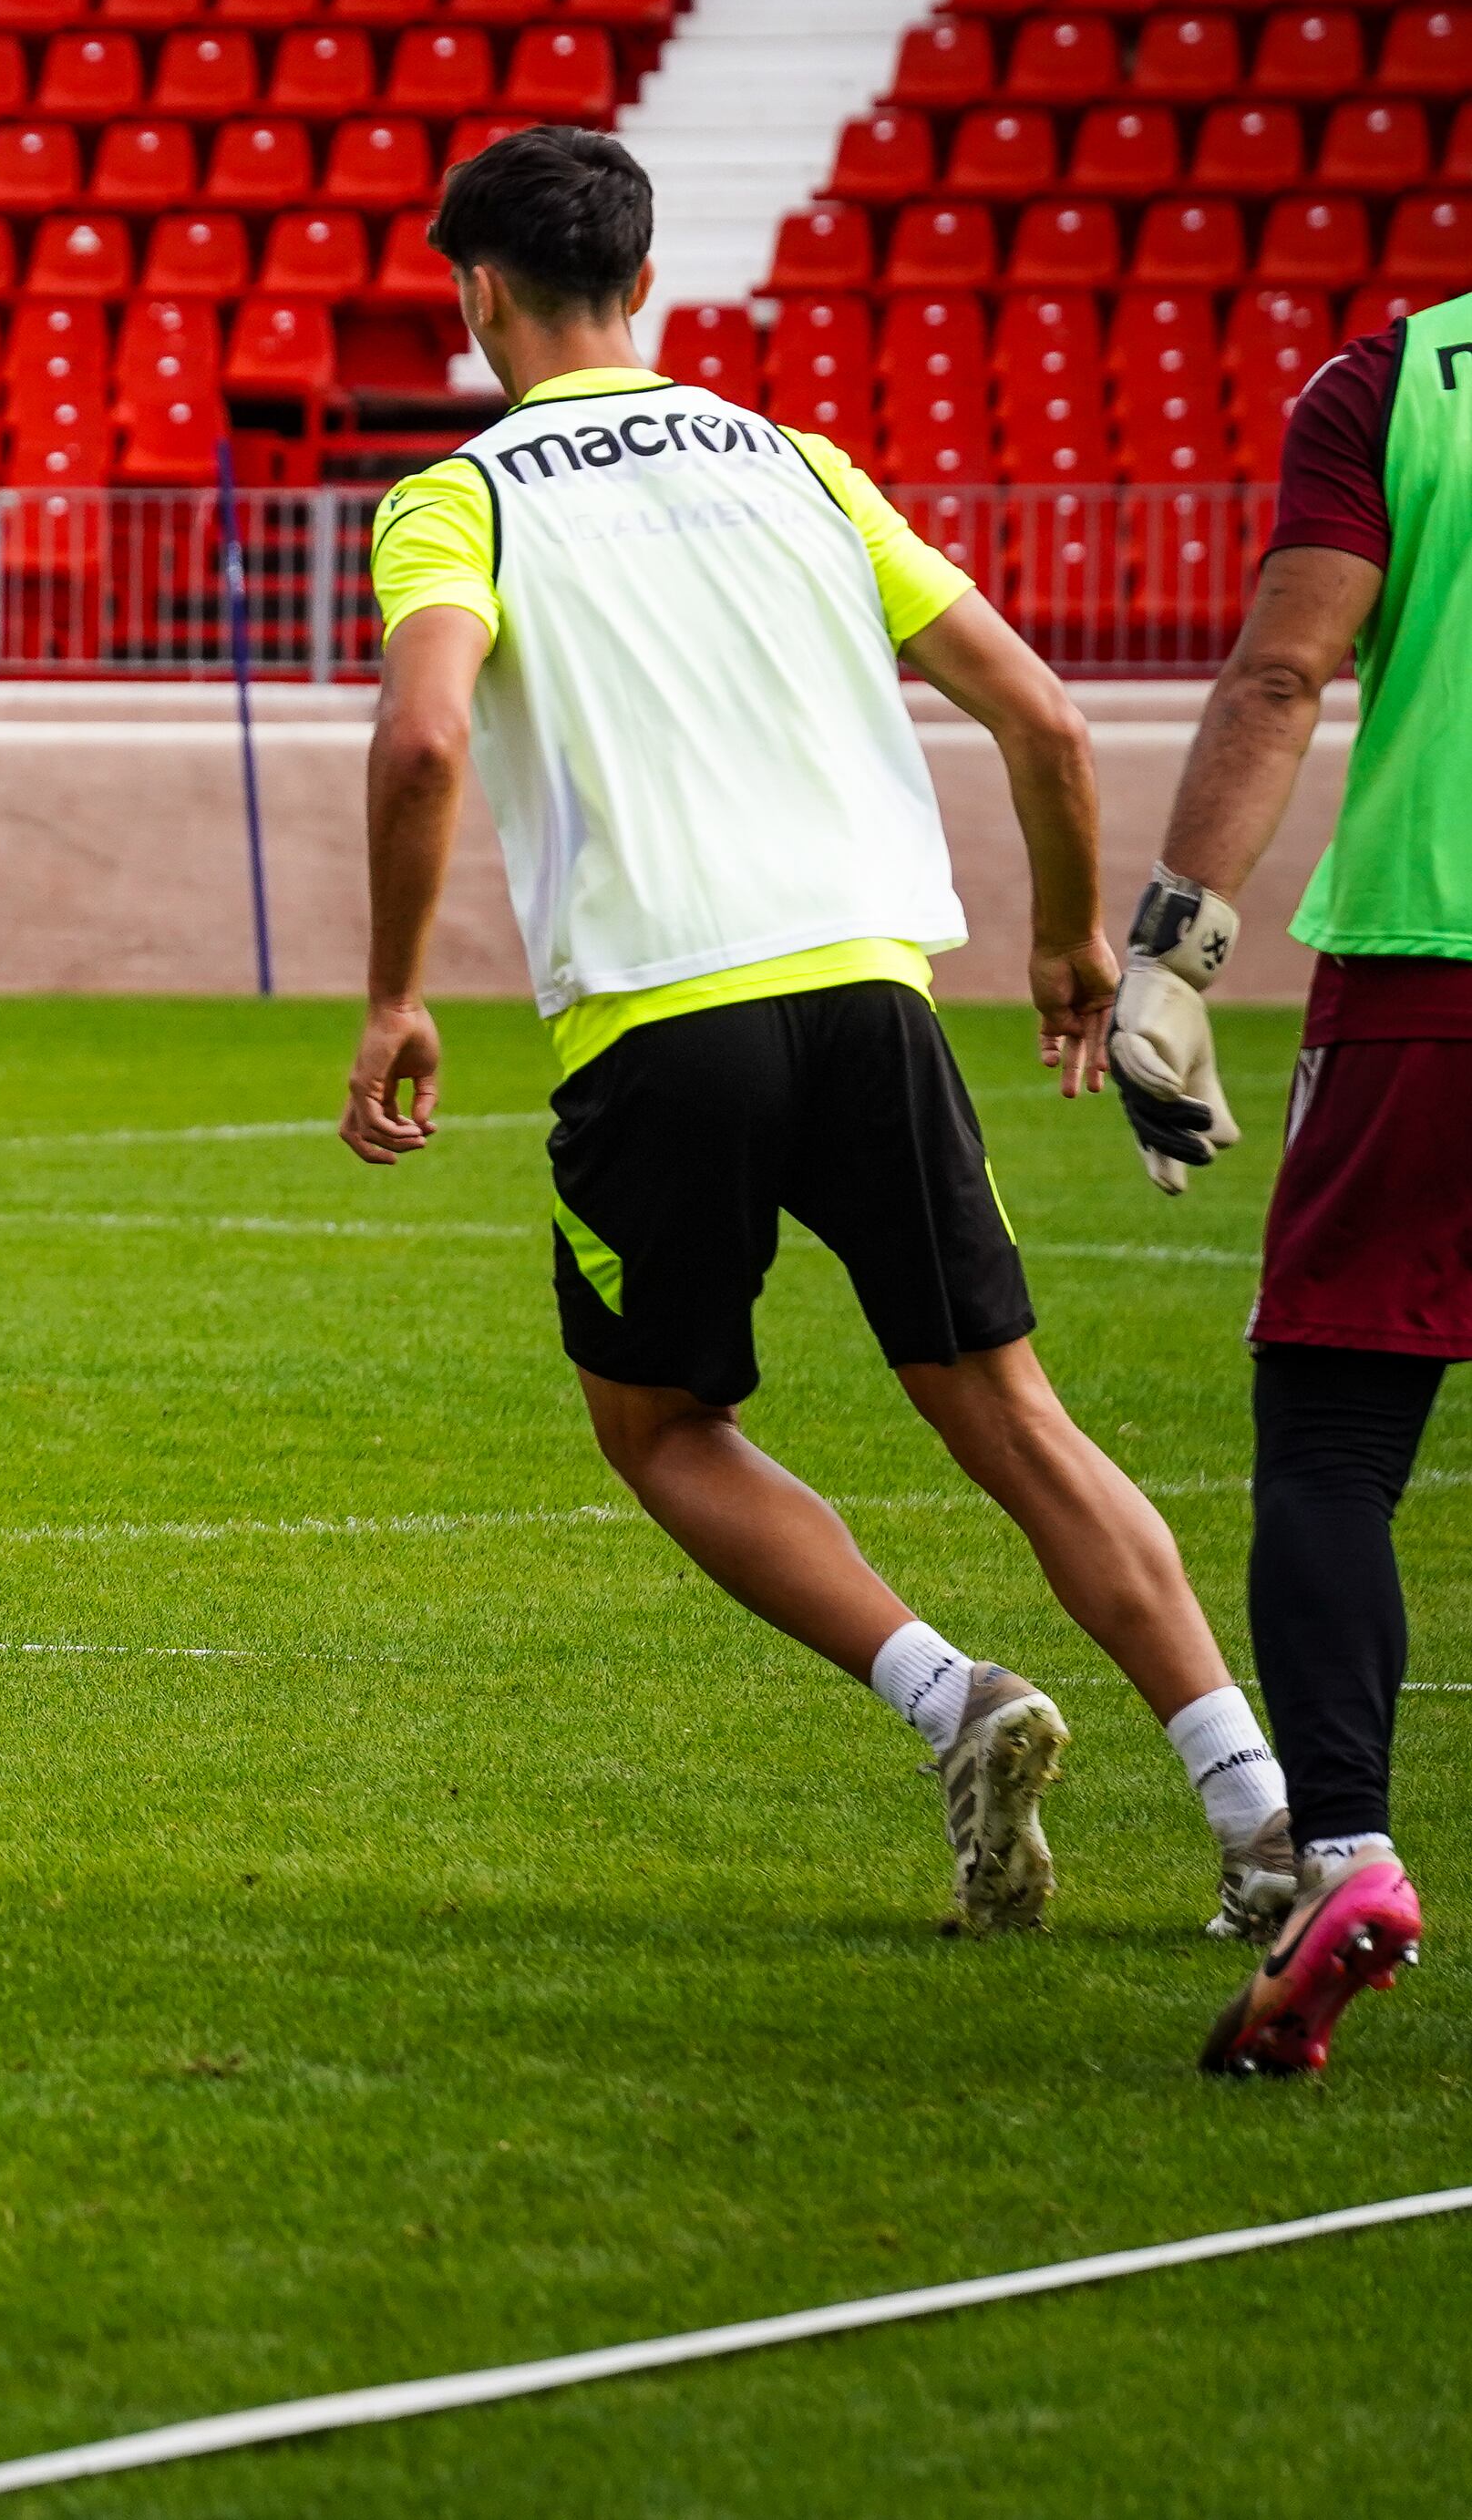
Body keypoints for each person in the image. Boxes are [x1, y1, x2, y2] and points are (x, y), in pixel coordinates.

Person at [343, 125, 1282, 1939]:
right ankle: (1256, 1813)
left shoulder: (461, 494)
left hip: (659, 1019)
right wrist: (1071, 933)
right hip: (872, 992)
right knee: (1009, 1410)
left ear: (475, 295)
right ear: (642, 282)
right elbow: (1047, 722)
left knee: (662, 1423)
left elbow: (420, 739)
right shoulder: (797, 465)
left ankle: (951, 1694)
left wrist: (393, 990)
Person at [1107, 310, 1448, 2075]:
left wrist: (1167, 958)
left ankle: (1345, 1856)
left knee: (1331, 1439)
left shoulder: (1399, 379)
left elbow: (1277, 672)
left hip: (1426, 973)